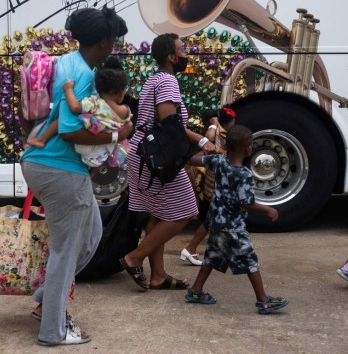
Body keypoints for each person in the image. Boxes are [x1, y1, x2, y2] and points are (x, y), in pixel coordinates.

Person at [19, 6, 132, 346]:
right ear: (104, 41)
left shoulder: (66, 62)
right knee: (67, 250)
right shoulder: (83, 75)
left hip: (41, 162)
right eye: (115, 40)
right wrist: (117, 135)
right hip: (60, 168)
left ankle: (45, 298)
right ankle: (52, 330)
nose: (116, 46)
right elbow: (69, 131)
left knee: (91, 236)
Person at [119, 33, 216, 291]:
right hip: (154, 162)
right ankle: (134, 257)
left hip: (141, 155)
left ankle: (158, 275)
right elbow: (170, 125)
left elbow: (168, 125)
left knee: (157, 215)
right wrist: (202, 143)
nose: (185, 54)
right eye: (182, 50)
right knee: (186, 210)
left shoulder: (153, 79)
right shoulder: (169, 82)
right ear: (172, 57)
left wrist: (200, 142)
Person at [185, 124, 290, 314]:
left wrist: (196, 145)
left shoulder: (219, 161)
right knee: (250, 261)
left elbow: (193, 160)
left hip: (216, 222)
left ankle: (196, 291)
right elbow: (246, 202)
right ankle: (263, 300)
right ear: (248, 149)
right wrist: (267, 209)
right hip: (233, 227)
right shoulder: (244, 175)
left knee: (212, 258)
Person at [27, 55, 132, 168]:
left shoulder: (94, 103)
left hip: (84, 145)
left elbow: (75, 107)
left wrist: (68, 89)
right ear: (119, 92)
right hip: (102, 151)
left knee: (62, 119)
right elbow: (128, 124)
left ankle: (42, 139)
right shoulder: (124, 110)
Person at [181, 106, 237, 266]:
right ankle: (192, 249)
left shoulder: (223, 132)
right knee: (214, 219)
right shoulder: (218, 131)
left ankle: (198, 249)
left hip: (217, 183)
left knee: (214, 219)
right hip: (216, 185)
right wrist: (213, 126)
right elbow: (209, 136)